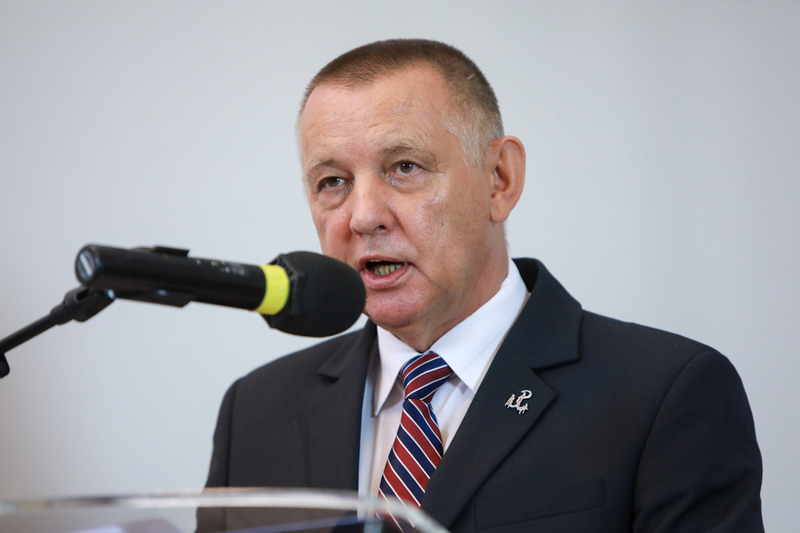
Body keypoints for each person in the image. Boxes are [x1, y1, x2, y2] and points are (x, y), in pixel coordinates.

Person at [205, 39, 763, 532]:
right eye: (333, 182)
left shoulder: (664, 394)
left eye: (404, 167)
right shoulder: (256, 410)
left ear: (500, 179)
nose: (363, 216)